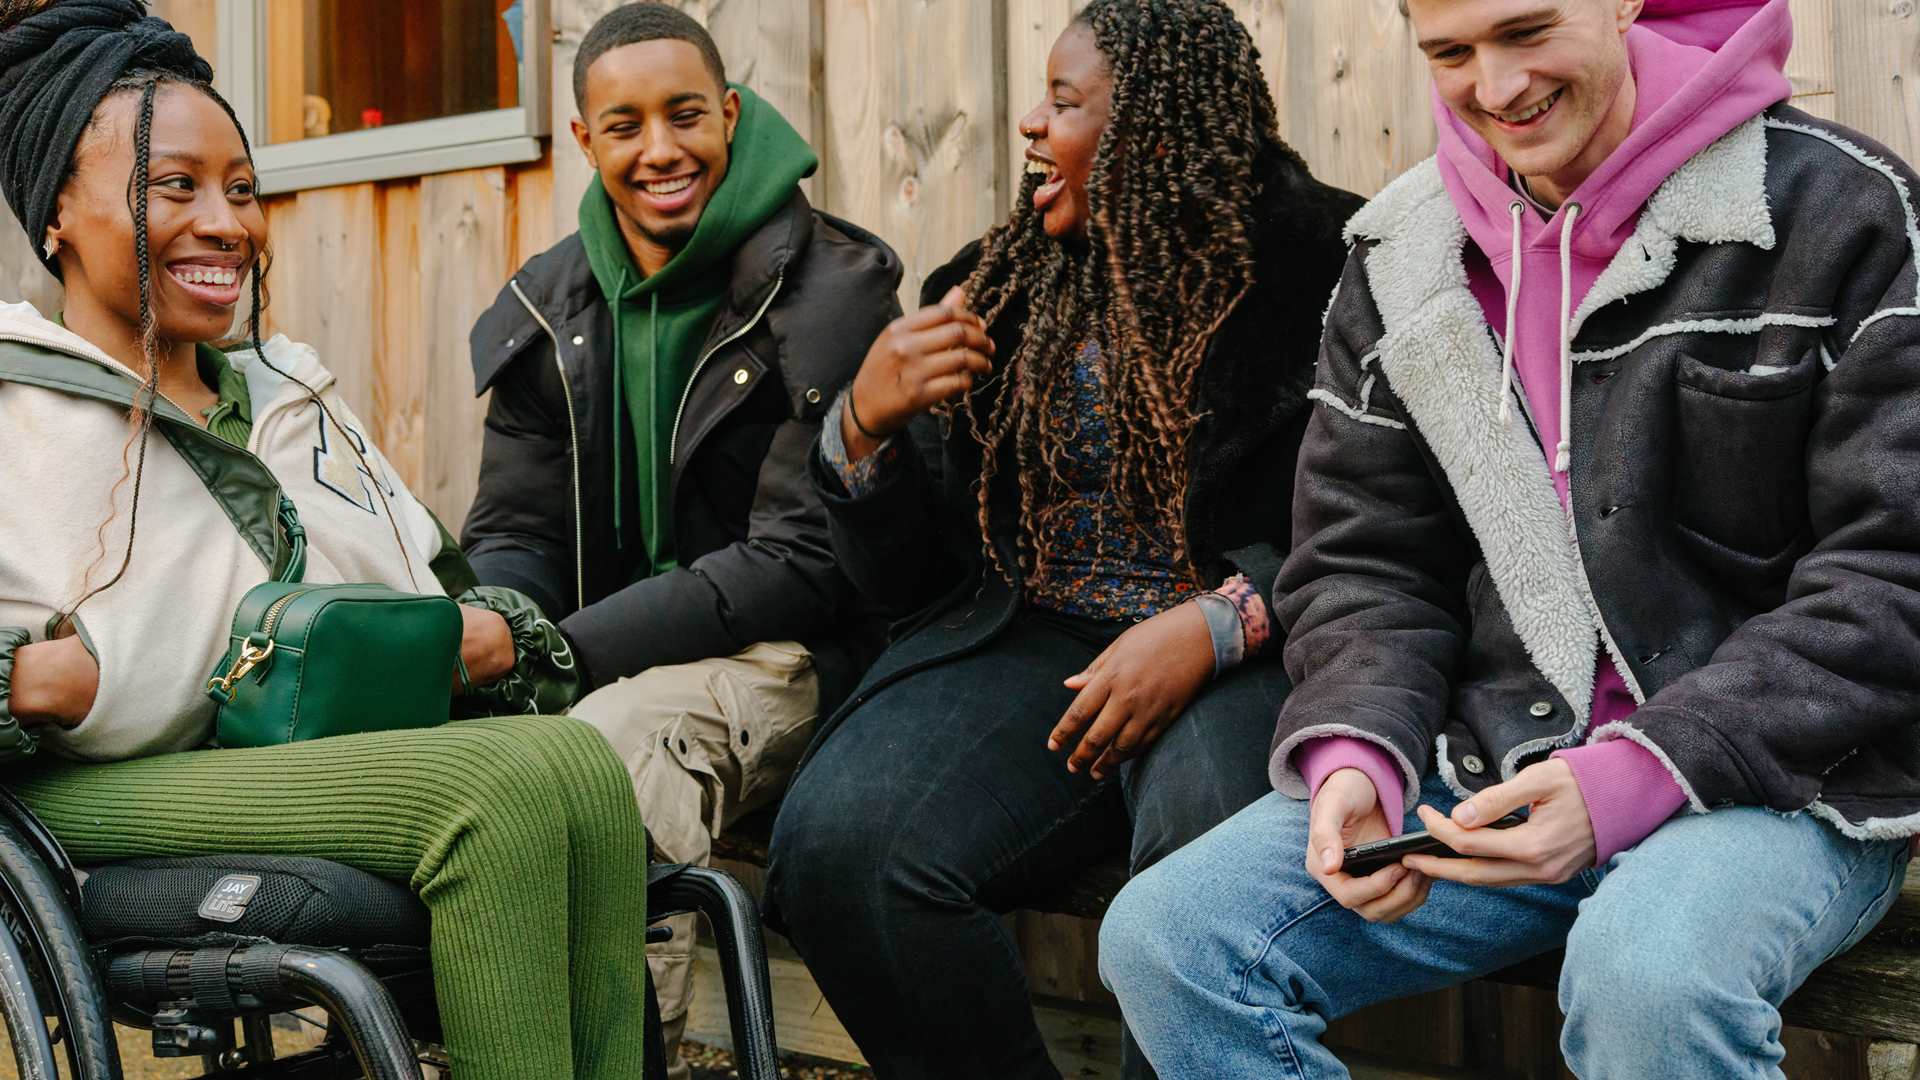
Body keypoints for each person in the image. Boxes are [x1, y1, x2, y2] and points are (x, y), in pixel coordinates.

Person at [1099, 0, 1920, 1076]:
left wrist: (1634, 777)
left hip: (1783, 775)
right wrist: (1355, 749)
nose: (1493, 89)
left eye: (1526, 30)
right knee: (1171, 942)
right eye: (1449, 51)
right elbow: (1363, 558)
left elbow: (1892, 570)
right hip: (1496, 764)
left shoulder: (1842, 211)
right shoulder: (1402, 254)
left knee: (1649, 978)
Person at [0, 4, 648, 1077]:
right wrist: (29, 680)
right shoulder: (18, 408)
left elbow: (443, 580)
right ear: (58, 212)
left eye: (243, 190)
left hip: (305, 750)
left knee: (577, 759)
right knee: (501, 790)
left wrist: (481, 634)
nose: (229, 224)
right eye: (175, 187)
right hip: (108, 779)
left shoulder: (289, 394)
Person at [761, 1, 1362, 1076]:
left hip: (1253, 649)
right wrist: (862, 431)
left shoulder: (1331, 271)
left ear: (1158, 135)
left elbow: (1388, 519)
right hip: (1032, 638)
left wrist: (1221, 620)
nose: (1031, 123)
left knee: (1206, 880)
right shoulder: (994, 288)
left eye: (1067, 102)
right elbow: (910, 583)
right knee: (838, 850)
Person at [461, 7, 899, 1070]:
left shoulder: (834, 289)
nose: (660, 150)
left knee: (608, 754)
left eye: (686, 115)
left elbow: (803, 562)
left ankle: (621, 1052)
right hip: (599, 649)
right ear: (586, 143)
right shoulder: (548, 305)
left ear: (732, 115)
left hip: (795, 652)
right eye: (626, 125)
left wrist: (554, 650)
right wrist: (496, 621)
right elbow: (517, 524)